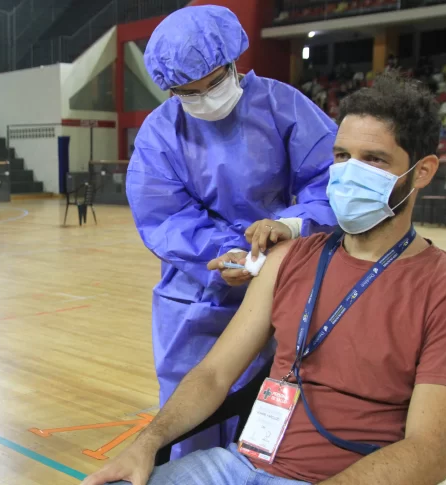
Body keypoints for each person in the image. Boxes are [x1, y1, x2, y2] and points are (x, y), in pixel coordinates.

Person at [84, 75, 446, 485]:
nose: (350, 174)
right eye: (342, 156)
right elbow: (213, 374)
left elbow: (429, 453)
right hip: (241, 466)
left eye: (375, 160)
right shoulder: (289, 258)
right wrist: (146, 442)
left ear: (422, 172)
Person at [127, 5, 337, 458]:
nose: (207, 97)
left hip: (284, 284)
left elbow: (328, 180)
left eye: (215, 82)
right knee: (191, 422)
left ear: (233, 62)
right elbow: (164, 214)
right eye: (189, 91)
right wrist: (223, 255)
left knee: (271, 424)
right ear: (170, 89)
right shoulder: (161, 133)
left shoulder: (283, 107)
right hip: (197, 295)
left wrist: (289, 224)